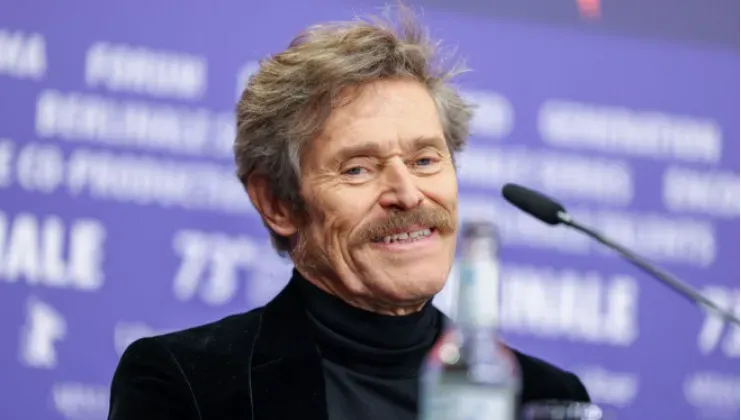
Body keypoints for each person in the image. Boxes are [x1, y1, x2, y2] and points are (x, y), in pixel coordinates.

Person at [107, 6, 590, 420]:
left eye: (425, 160)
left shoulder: (544, 396)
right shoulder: (188, 383)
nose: (408, 194)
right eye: (358, 169)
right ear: (277, 204)